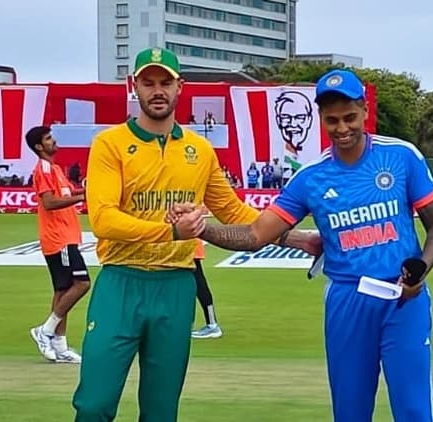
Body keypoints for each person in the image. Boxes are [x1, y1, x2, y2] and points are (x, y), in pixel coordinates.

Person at [170, 69, 433, 422]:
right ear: (321, 118)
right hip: (347, 300)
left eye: (350, 117)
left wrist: (420, 270)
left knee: (414, 410)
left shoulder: (401, 156)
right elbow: (255, 235)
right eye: (332, 120)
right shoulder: (311, 178)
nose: (342, 128)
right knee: (350, 412)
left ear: (365, 110)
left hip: (403, 300)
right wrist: (201, 229)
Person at [72, 46, 320, 422]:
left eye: (166, 83)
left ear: (180, 87)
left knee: (161, 410)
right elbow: (104, 220)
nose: (158, 91)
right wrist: (172, 230)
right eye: (149, 83)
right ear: (134, 85)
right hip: (121, 282)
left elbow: (235, 213)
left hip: (175, 287)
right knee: (93, 405)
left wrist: (294, 238)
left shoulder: (199, 150)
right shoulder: (110, 144)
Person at [25, 126, 90, 364]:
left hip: (66, 236)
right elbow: (50, 202)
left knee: (63, 291)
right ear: (39, 147)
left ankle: (60, 346)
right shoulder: (43, 169)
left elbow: (69, 193)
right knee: (82, 283)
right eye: (48, 138)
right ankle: (45, 330)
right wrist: (82, 197)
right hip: (59, 237)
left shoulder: (55, 169)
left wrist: (88, 190)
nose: (54, 141)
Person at [191, 239, 222, 339]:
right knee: (197, 282)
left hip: (187, 246)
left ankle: (212, 324)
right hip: (187, 245)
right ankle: (212, 324)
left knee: (199, 282)